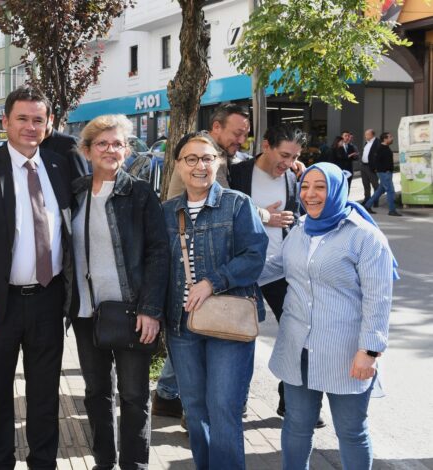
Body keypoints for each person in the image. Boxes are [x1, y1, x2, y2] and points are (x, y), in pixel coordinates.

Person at [0, 87, 74, 469]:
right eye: (22, 118)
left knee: (45, 392)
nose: (30, 126)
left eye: (38, 119)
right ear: (5, 121)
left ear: (49, 124)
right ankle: (0, 462)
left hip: (48, 299)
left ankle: (43, 462)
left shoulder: (59, 166)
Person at [261, 162, 396, 469]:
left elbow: (378, 298)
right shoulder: (300, 229)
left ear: (336, 190)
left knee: (351, 431)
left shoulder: (363, 236)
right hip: (297, 348)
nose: (310, 194)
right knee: (296, 425)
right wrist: (225, 278)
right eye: (305, 187)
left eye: (320, 187)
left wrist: (369, 351)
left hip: (345, 352)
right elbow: (274, 267)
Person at [161, 134, 268, 469]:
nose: (200, 166)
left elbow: (254, 257)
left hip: (228, 325)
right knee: (194, 410)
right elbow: (156, 265)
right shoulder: (166, 212)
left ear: (218, 162)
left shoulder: (237, 204)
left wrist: (212, 282)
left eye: (207, 158)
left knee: (224, 409)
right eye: (191, 159)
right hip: (182, 326)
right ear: (178, 165)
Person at [70, 114, 169, 469]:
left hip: (132, 311)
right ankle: (103, 461)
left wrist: (150, 309)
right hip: (86, 311)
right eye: (102, 143)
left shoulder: (139, 193)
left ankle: (134, 465)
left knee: (133, 395)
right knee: (96, 392)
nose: (110, 150)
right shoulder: (76, 191)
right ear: (87, 150)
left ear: (127, 150)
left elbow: (158, 252)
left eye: (118, 144)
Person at [229, 125, 325, 428]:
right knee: (238, 339)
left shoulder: (294, 177)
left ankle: (293, 403)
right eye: (284, 155)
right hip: (243, 268)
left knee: (299, 334)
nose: (288, 162)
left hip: (282, 270)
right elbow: (225, 211)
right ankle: (237, 403)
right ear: (266, 146)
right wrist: (262, 215)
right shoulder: (237, 173)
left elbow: (301, 216)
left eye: (294, 156)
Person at [364, 132, 402, 216]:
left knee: (380, 190)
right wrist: (382, 170)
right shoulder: (380, 148)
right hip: (385, 173)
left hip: (386, 172)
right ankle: (392, 210)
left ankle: (367, 206)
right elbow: (376, 161)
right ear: (385, 139)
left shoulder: (386, 147)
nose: (392, 138)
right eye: (390, 137)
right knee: (390, 191)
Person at [361, 129, 380, 204]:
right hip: (363, 166)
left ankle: (375, 201)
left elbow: (379, 156)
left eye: (366, 134)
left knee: (375, 185)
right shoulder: (366, 142)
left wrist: (376, 167)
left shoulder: (377, 142)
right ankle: (367, 199)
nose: (365, 136)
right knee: (365, 184)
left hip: (371, 167)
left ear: (371, 135)